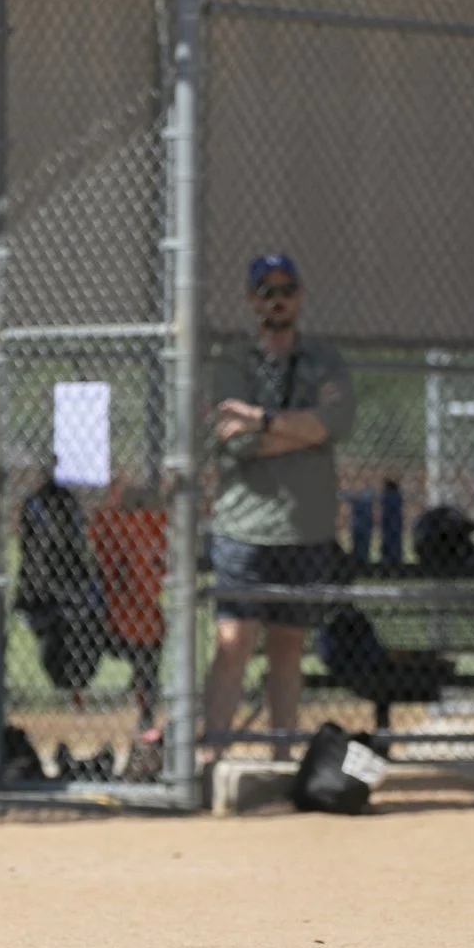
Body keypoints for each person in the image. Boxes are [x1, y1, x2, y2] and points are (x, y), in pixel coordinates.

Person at [202, 252, 355, 760]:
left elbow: (337, 421)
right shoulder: (233, 363)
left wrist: (263, 421)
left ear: (300, 296)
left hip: (305, 529)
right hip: (244, 528)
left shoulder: (324, 361)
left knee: (288, 648)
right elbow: (233, 443)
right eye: (266, 291)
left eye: (286, 288)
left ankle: (283, 756)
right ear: (252, 301)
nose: (278, 298)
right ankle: (214, 756)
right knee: (234, 644)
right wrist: (305, 430)